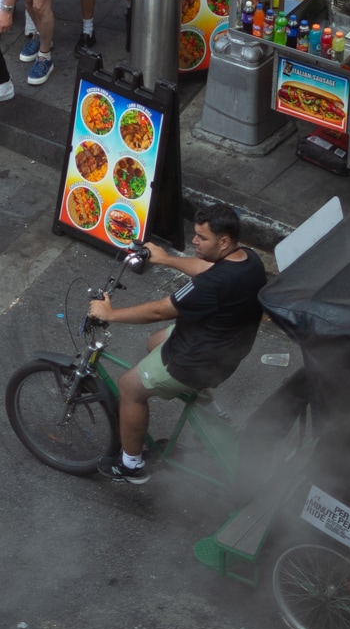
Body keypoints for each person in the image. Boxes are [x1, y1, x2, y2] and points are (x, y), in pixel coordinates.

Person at [85, 207, 267, 484]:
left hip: (195, 360)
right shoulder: (248, 260)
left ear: (224, 242)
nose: (194, 241)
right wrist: (166, 260)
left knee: (129, 387)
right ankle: (212, 414)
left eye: (201, 238)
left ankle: (130, 465)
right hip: (225, 346)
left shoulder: (212, 285)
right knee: (154, 342)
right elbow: (207, 266)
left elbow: (160, 311)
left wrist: (110, 314)